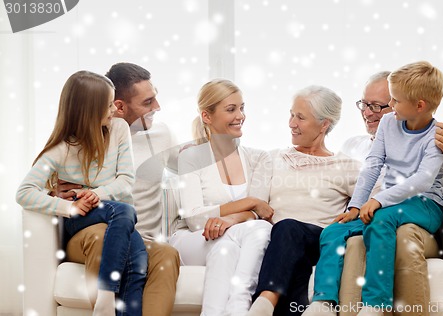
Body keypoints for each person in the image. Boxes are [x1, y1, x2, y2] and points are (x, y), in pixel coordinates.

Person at [305, 61, 443, 316]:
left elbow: (423, 180)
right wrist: (355, 206)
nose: (390, 107)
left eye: (394, 100)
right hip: (391, 205)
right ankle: (323, 303)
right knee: (334, 231)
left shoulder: (435, 136)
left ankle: (376, 304)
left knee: (380, 219)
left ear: (419, 106)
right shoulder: (388, 124)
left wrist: (379, 201)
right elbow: (372, 166)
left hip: (425, 204)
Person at [54, 63, 181, 316]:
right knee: (103, 236)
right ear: (118, 106)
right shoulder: (82, 137)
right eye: (148, 102)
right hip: (91, 234)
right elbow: (49, 176)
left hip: (139, 237)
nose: (157, 107)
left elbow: (195, 170)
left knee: (166, 255)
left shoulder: (161, 134)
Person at [16, 70, 147, 316]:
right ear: (88, 110)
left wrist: (95, 193)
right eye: (108, 105)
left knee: (137, 262)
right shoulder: (61, 149)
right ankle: (106, 295)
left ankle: (110, 307)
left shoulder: (118, 129)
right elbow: (24, 192)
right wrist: (68, 207)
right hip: (82, 217)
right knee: (125, 210)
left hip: (110, 212)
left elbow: (127, 180)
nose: (114, 110)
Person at [247, 85, 362, 316]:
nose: (291, 123)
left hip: (317, 239)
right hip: (278, 242)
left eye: (300, 117)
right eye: (291, 114)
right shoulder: (272, 158)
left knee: (289, 228)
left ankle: (263, 302)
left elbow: (376, 198)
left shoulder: (347, 166)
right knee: (292, 255)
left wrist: (354, 212)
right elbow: (254, 204)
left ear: (324, 124)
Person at [169, 79, 274, 316]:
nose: (240, 116)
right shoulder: (191, 157)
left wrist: (232, 219)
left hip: (229, 237)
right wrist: (250, 203)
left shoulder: (259, 158)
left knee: (227, 248)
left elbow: (261, 212)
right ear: (207, 116)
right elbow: (195, 219)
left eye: (242, 108)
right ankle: (239, 305)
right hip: (191, 239)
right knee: (259, 230)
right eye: (231, 109)